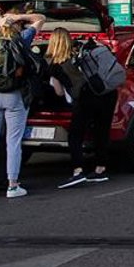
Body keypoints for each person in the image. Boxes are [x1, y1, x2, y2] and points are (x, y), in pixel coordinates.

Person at [41, 29, 110, 188]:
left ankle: (78, 171)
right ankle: (100, 170)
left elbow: (58, 92)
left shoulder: (54, 66)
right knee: (100, 131)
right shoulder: (78, 57)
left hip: (83, 100)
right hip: (101, 94)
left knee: (75, 136)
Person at [0, 19, 36, 199]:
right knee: (14, 142)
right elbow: (40, 19)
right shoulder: (22, 39)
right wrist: (20, 19)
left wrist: (3, 19)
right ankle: (13, 185)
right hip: (14, 96)